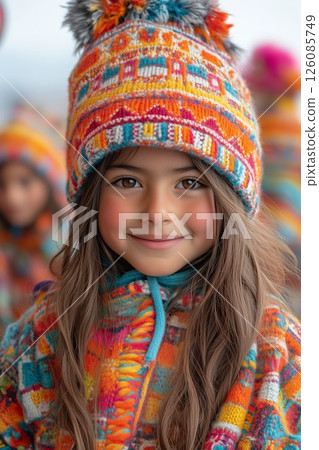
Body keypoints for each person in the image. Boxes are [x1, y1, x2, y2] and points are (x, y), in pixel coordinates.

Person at [0, 1, 300, 449]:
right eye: (126, 180)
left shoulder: (278, 356)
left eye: (189, 182)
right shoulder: (37, 344)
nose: (158, 211)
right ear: (90, 196)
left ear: (230, 200)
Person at [242, 44, 301, 317]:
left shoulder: (273, 126)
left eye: (258, 87)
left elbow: (268, 186)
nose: (253, 93)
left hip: (276, 236)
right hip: (291, 232)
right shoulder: (294, 124)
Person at [0, 105, 66, 336]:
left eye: (25, 182)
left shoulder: (71, 237)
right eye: (2, 184)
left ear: (50, 184)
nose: (12, 197)